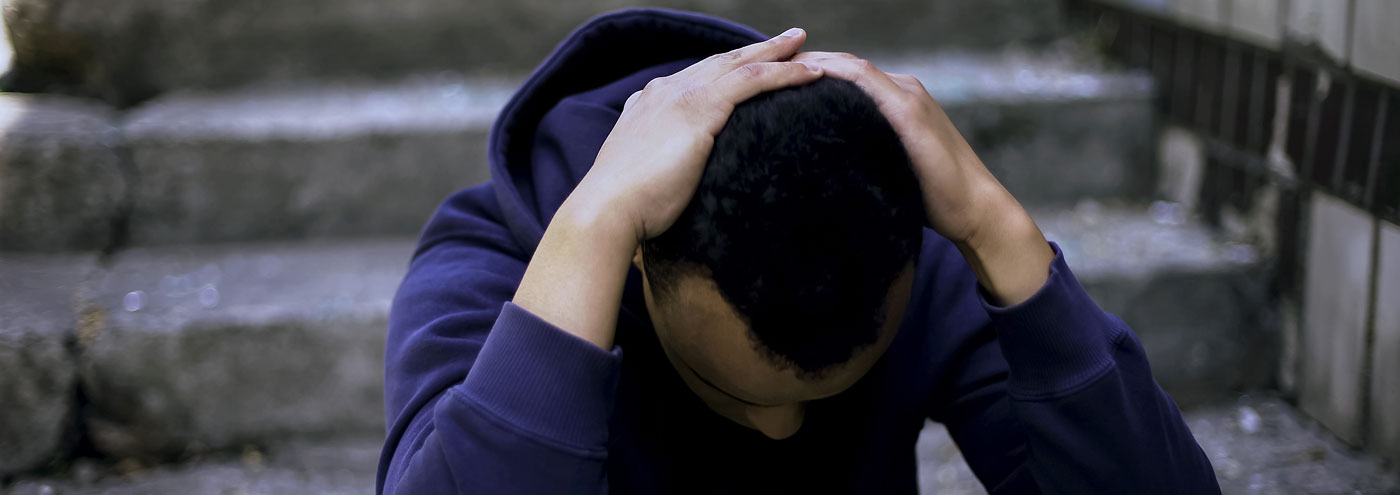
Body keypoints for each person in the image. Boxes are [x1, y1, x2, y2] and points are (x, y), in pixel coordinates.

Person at [377, 8, 1222, 494]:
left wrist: (995, 227)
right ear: (640, 256)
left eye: (826, 396)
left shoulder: (903, 252)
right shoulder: (491, 266)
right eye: (728, 387)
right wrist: (595, 222)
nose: (781, 431)